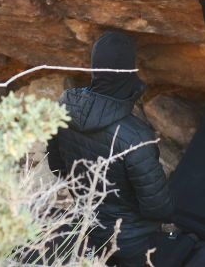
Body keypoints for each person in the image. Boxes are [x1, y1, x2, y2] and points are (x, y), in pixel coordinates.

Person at [46, 31, 174, 267]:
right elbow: (158, 209)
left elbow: (56, 167)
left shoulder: (63, 106)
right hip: (133, 243)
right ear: (129, 72)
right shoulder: (137, 136)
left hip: (88, 229)